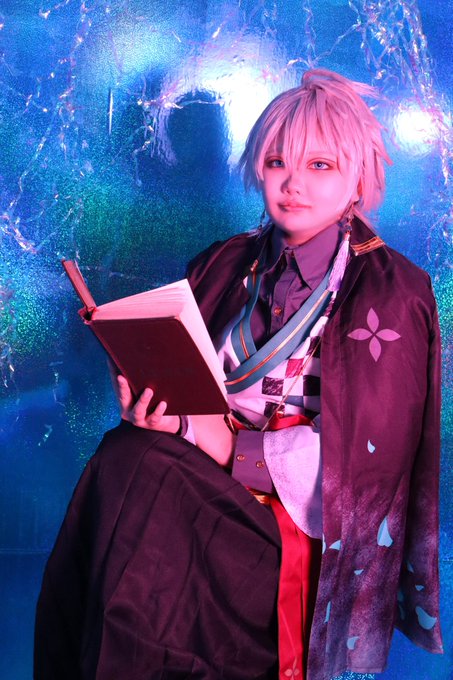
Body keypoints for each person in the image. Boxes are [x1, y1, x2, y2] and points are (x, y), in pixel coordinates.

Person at [35, 70, 443, 680]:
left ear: (358, 178)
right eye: (278, 162)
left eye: (320, 165)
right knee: (129, 449)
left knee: (139, 470)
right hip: (197, 479)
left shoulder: (395, 292)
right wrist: (165, 416)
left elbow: (373, 465)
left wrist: (231, 449)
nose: (293, 183)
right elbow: (192, 391)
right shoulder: (225, 262)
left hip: (293, 526)